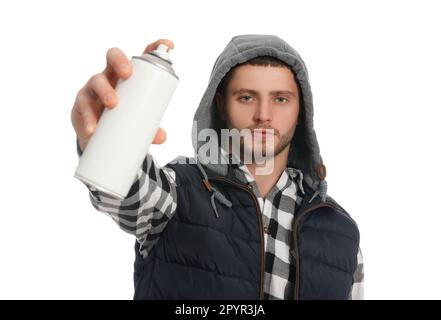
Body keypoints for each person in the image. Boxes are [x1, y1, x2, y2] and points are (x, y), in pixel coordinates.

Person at [72, 34, 364, 300]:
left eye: (280, 99)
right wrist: (102, 137)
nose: (264, 115)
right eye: (247, 97)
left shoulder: (341, 230)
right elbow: (123, 186)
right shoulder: (177, 193)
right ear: (222, 105)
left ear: (301, 111)